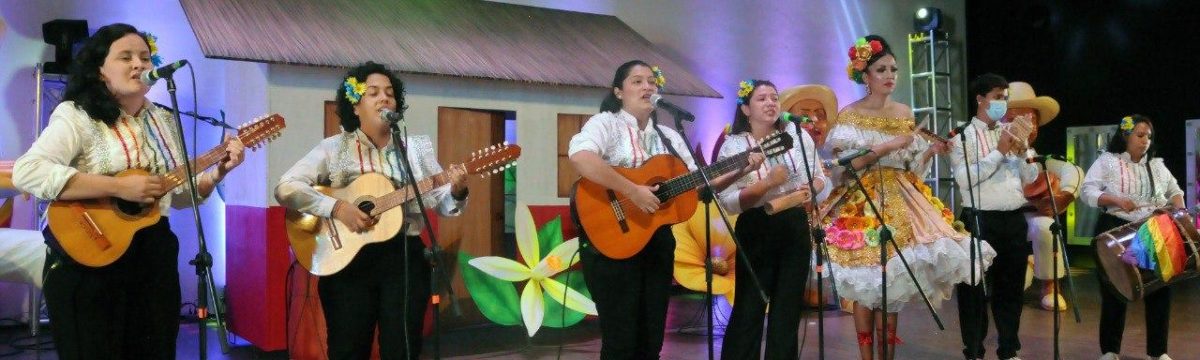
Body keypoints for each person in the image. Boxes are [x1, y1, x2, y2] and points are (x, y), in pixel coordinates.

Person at [12, 23, 245, 359]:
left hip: (153, 256)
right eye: (126, 57)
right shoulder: (77, 115)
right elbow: (28, 171)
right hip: (87, 256)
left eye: (145, 57)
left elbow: (175, 195)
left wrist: (217, 172)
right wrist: (118, 186)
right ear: (99, 70)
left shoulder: (162, 121)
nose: (139, 64)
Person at [274, 61, 469, 359]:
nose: (384, 98)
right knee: (348, 348)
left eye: (390, 93)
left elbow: (443, 204)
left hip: (404, 258)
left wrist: (457, 190)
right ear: (355, 106)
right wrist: (338, 207)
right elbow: (286, 187)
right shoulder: (334, 148)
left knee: (402, 349)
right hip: (347, 262)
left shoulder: (414, 151)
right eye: (374, 92)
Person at [818, 35, 993, 360]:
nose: (889, 75)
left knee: (891, 287)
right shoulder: (850, 114)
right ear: (865, 76)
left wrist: (929, 151)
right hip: (862, 199)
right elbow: (847, 163)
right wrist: (885, 147)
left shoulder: (903, 111)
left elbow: (909, 167)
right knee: (866, 286)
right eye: (881, 69)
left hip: (902, 196)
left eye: (894, 70)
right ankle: (867, 356)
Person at [567, 60, 756, 359]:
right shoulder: (605, 123)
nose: (647, 87)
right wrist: (632, 190)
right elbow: (580, 158)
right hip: (612, 242)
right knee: (621, 342)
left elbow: (701, 184)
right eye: (637, 81)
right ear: (618, 91)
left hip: (656, 242)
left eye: (651, 82)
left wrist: (739, 167)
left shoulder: (669, 135)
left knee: (651, 340)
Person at [716, 79, 827, 359]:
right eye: (761, 98)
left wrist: (811, 188)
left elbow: (819, 176)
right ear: (745, 109)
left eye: (774, 98)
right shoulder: (734, 145)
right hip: (756, 225)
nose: (770, 103)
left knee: (788, 309)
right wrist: (766, 184)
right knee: (749, 306)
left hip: (793, 224)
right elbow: (729, 200)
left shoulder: (797, 136)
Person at [950, 74, 1040, 360]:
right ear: (980, 99)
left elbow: (1032, 178)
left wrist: (1023, 149)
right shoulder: (961, 135)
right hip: (978, 219)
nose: (1003, 103)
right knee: (974, 290)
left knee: (1011, 290)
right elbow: (965, 180)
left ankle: (1009, 349)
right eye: (998, 97)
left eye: (1005, 98)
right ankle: (974, 350)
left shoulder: (1013, 131)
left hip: (1012, 219)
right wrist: (1000, 151)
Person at [1081, 115, 1181, 360]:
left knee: (1159, 289)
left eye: (1148, 136)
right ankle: (1110, 351)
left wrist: (1178, 211)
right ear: (1125, 136)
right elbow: (1087, 190)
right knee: (1115, 290)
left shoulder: (1157, 165)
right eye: (1139, 135)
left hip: (1153, 230)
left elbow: (1175, 190)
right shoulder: (1108, 161)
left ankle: (1158, 352)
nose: (1145, 140)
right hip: (1116, 227)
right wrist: (1115, 200)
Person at [1004, 81, 1073, 311]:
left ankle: (1051, 286)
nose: (1025, 125)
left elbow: (1069, 173)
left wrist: (1065, 192)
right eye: (1015, 118)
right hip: (1000, 215)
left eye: (1030, 119)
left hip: (1028, 215)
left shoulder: (1034, 156)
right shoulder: (990, 151)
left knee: (1045, 227)